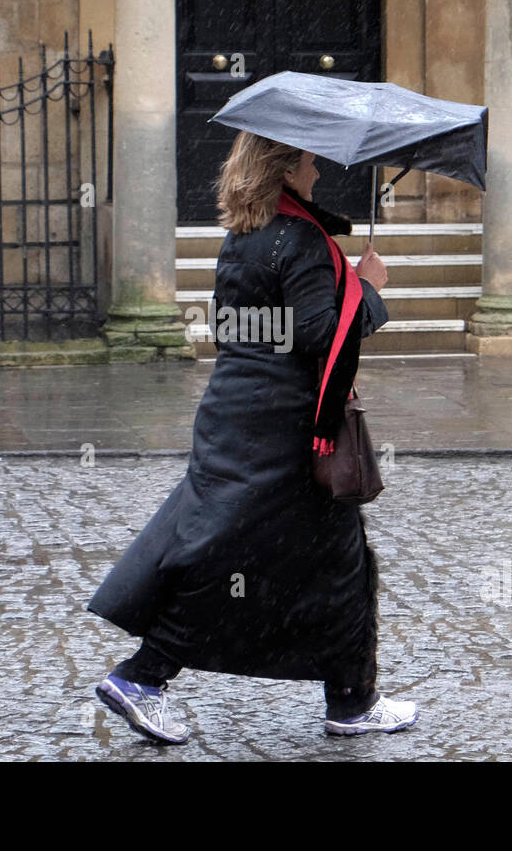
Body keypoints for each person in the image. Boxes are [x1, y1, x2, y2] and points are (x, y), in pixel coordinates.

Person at [86, 131, 417, 744]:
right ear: (286, 166)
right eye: (311, 159)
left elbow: (252, 327)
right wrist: (369, 289)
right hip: (288, 434)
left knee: (336, 561)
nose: (319, 169)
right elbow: (319, 335)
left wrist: (341, 283)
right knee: (228, 562)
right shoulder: (300, 240)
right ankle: (141, 677)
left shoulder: (244, 235)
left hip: (238, 414)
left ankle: (351, 700)